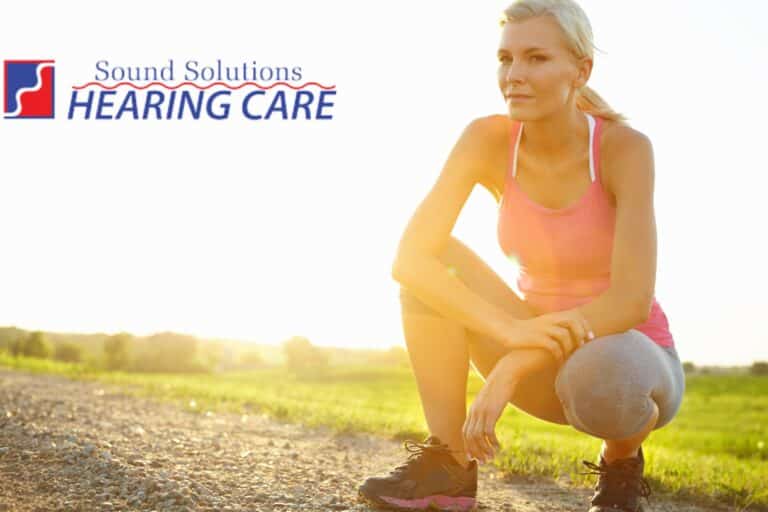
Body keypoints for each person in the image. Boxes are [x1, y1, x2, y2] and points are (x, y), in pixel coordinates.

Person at [356, 1, 685, 511]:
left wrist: (512, 363)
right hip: (536, 346)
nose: (515, 75)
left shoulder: (625, 149)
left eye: (536, 58)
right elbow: (410, 258)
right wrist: (509, 330)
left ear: (581, 70)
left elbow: (630, 301)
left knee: (602, 371)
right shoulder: (486, 139)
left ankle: (620, 467)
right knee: (434, 261)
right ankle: (449, 465)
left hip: (628, 362)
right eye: (506, 59)